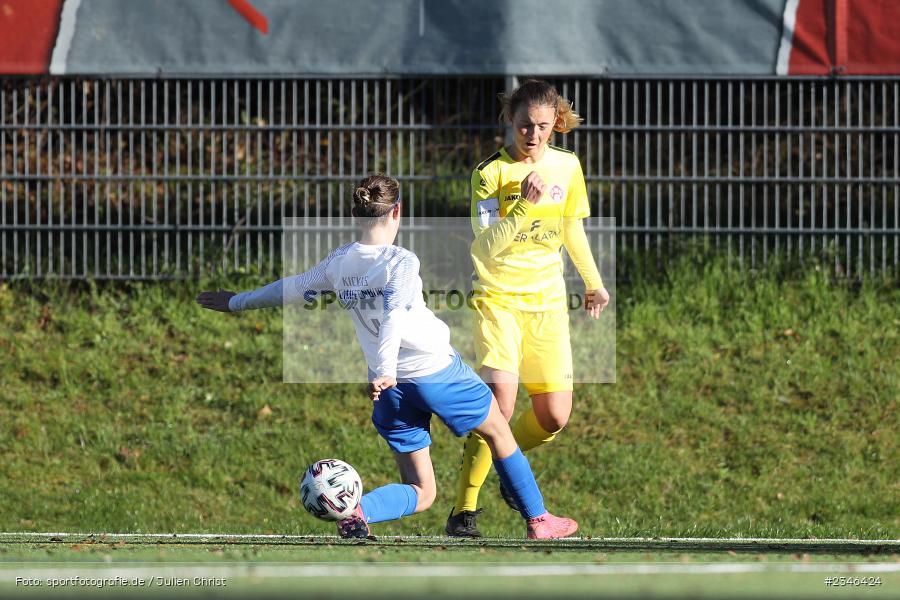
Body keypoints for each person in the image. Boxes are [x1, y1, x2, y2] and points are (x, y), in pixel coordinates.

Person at [196, 174, 578, 539]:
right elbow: (394, 312)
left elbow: (292, 288)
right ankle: (539, 519)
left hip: (392, 391)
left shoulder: (339, 262)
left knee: (422, 490)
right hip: (432, 371)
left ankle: (358, 514)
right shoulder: (401, 261)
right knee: (498, 432)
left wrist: (235, 302)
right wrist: (385, 370)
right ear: (398, 211)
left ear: (353, 215)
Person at [445, 80, 610, 538]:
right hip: (498, 299)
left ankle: (507, 460)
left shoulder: (568, 167)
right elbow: (485, 246)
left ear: (556, 123)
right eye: (524, 126)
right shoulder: (489, 174)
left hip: (548, 303)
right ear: (509, 122)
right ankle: (463, 513)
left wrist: (594, 284)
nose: (532, 136)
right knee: (500, 404)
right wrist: (522, 206)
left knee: (555, 416)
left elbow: (572, 230)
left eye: (541, 126)